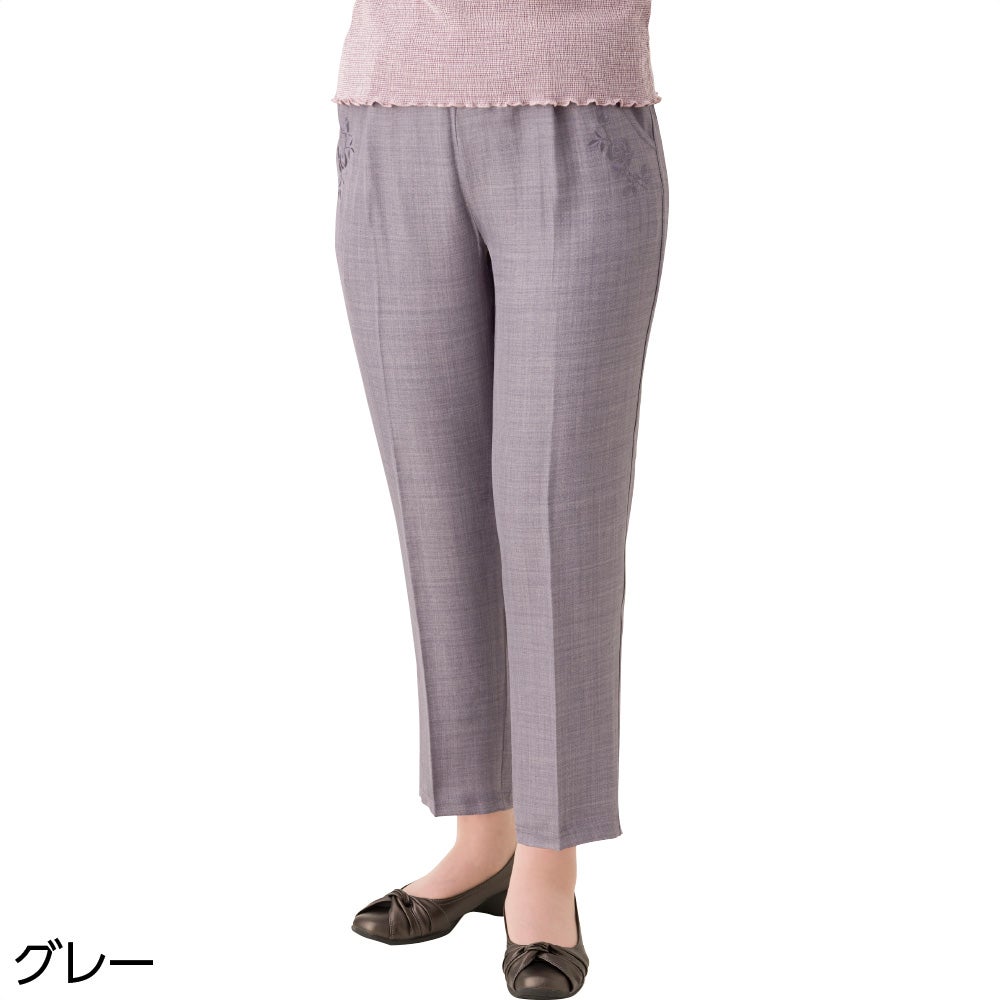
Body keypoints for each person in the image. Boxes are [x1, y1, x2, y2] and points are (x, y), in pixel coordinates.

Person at [332, 2, 668, 995]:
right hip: (390, 111)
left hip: (574, 106)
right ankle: (482, 835)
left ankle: (549, 861)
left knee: (558, 510)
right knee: (437, 509)